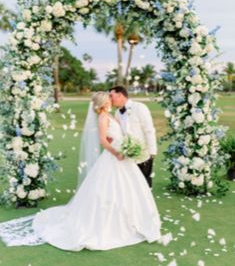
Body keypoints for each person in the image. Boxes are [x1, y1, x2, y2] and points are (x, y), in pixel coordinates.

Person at [0, 92, 161, 251]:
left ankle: (130, 217)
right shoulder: (103, 118)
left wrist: (127, 147)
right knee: (109, 187)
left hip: (123, 157)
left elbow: (119, 135)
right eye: (108, 99)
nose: (111, 100)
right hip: (114, 157)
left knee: (129, 187)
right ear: (104, 103)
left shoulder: (113, 116)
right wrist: (116, 152)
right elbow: (103, 140)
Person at [109, 86, 157, 187]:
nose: (110, 99)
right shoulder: (117, 112)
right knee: (131, 184)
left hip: (143, 153)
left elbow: (149, 130)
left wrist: (152, 152)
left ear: (120, 95)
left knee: (145, 182)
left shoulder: (140, 107)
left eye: (111, 96)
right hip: (127, 154)